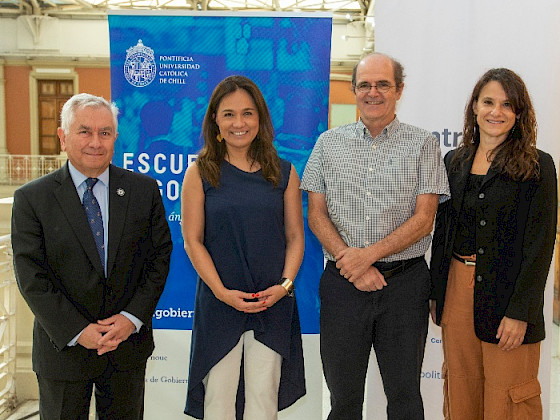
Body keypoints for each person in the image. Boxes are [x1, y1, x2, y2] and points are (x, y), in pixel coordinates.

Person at [300, 52, 450, 420]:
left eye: (383, 84)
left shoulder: (423, 144)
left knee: (404, 397)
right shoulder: (327, 144)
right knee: (344, 398)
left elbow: (425, 218)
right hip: (342, 284)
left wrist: (365, 256)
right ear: (353, 90)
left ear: (399, 90)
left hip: (404, 285)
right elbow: (316, 215)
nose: (373, 92)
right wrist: (351, 263)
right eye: (365, 84)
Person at [11, 93, 173, 420]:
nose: (95, 142)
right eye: (84, 131)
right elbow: (31, 277)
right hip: (64, 350)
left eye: (105, 132)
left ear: (115, 137)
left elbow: (159, 259)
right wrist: (77, 330)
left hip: (125, 347)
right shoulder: (32, 199)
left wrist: (132, 318)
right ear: (63, 137)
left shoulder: (144, 190)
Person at [430, 68, 558, 419]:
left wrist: (521, 312)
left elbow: (540, 246)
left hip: (509, 297)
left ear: (519, 114)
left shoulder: (538, 165)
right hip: (456, 290)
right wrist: (436, 293)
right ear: (474, 107)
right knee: (460, 388)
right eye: (488, 102)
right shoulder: (453, 162)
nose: (495, 112)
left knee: (507, 397)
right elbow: (443, 233)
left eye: (506, 105)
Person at [182, 75, 305, 420]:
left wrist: (284, 288)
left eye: (248, 113)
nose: (239, 123)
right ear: (215, 121)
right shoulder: (200, 173)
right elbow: (192, 240)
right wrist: (221, 292)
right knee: (218, 400)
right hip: (220, 303)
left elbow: (296, 237)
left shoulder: (283, 173)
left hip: (272, 302)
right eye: (229, 114)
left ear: (261, 119)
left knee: (263, 399)